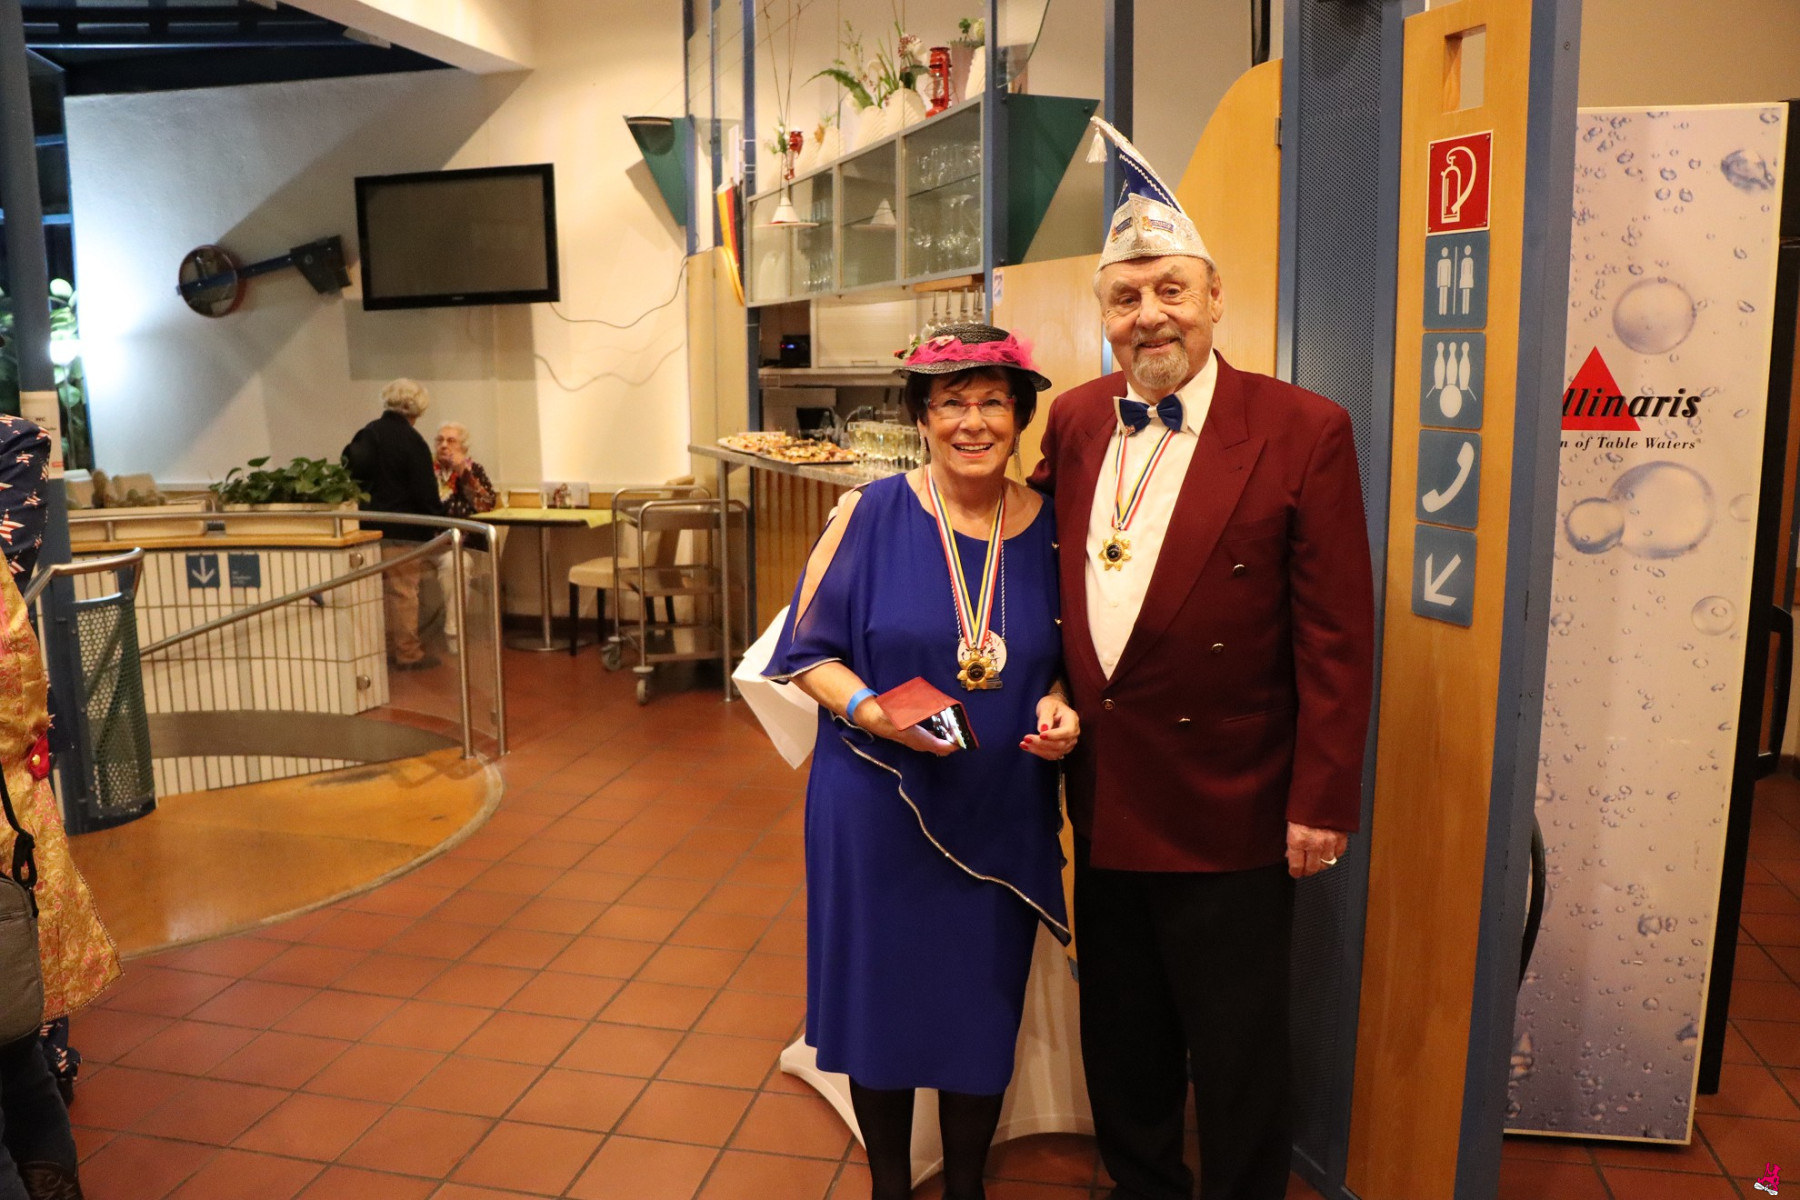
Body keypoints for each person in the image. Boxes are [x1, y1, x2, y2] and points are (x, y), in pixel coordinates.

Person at [1029, 119, 1375, 1200]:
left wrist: (1321, 798)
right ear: (1104, 315)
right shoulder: (1076, 420)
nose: (1150, 315)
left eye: (1171, 290)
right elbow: (1044, 576)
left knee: (1237, 1047)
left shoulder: (1304, 428)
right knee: (1123, 1029)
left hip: (1235, 798)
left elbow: (1337, 633)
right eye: (1126, 298)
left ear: (1216, 299)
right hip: (1106, 789)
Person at [766, 324, 1079, 1200]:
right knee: (883, 1005)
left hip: (1002, 801)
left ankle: (968, 1185)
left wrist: (1061, 700)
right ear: (922, 417)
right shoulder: (868, 513)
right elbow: (806, 652)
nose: (973, 422)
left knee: (982, 1003)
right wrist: (872, 711)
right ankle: (892, 1187)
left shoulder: (1055, 529)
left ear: (1019, 417)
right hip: (878, 799)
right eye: (952, 403)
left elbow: (1068, 656)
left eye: (993, 403)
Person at [0, 414, 123, 1199]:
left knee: (15, 1036)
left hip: (9, 825)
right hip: (14, 819)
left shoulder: (13, 447)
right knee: (15, 1048)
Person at [343, 379, 446, 671]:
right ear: (417, 408)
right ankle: (408, 653)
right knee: (403, 592)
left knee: (375, 593)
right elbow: (425, 491)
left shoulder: (367, 433)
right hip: (403, 528)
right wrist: (439, 521)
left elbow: (352, 476)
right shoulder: (412, 441)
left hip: (366, 527)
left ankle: (380, 649)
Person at [431, 422, 498, 654]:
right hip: (425, 543)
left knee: (456, 563)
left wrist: (464, 474)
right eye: (439, 440)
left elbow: (486, 505)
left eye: (451, 441)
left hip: (462, 546)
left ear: (464, 448)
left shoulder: (474, 471)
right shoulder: (425, 471)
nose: (444, 445)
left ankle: (454, 633)